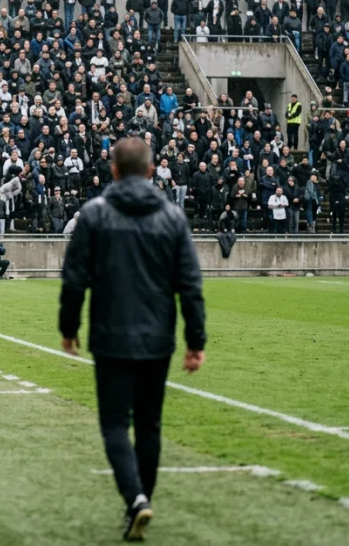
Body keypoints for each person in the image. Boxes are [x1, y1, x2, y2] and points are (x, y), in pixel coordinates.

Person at [58, 137, 206, 542]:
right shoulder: (173, 217)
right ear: (152, 170)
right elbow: (189, 285)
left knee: (113, 424)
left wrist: (68, 328)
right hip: (157, 338)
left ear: (114, 170)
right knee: (149, 424)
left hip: (111, 336)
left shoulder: (94, 214)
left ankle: (136, 499)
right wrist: (196, 341)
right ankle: (141, 500)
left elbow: (74, 279)